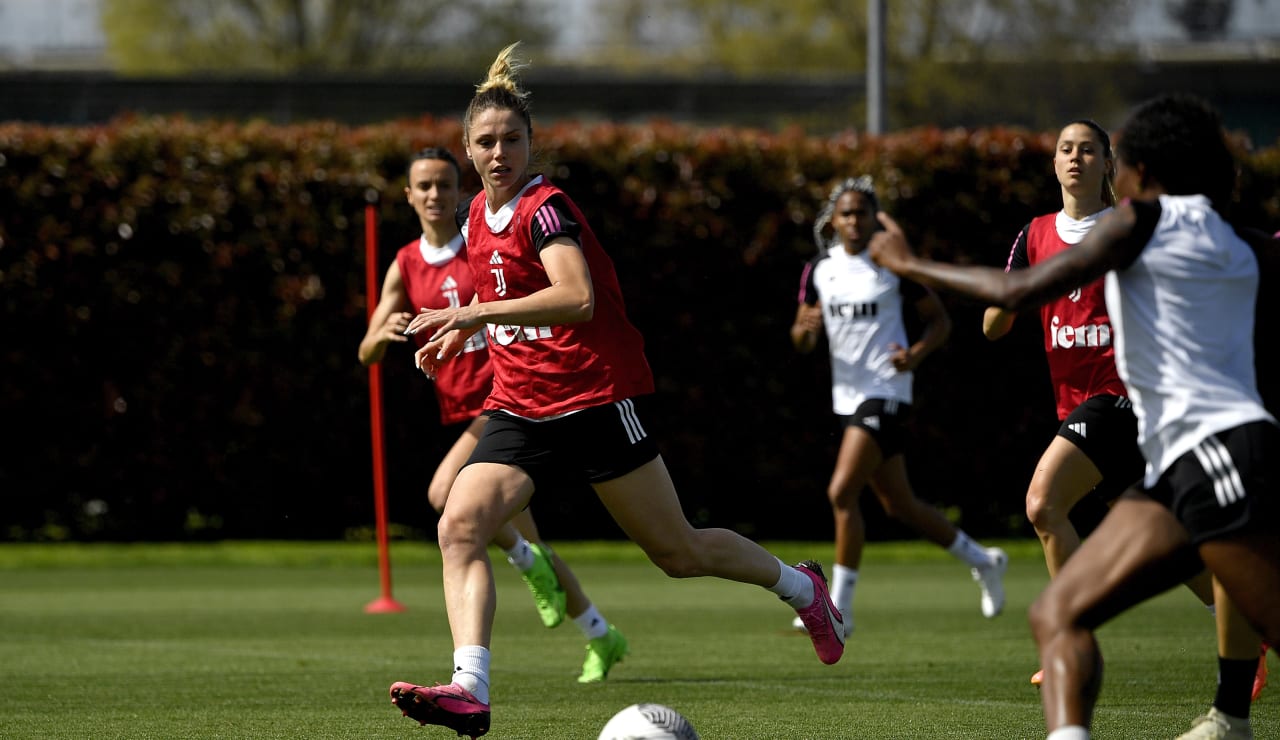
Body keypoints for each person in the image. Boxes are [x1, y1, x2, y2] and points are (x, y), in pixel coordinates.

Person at [387, 43, 846, 739]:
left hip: (595, 403)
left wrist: (472, 315)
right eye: (486, 142)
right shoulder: (477, 216)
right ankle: (470, 690)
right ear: (468, 151)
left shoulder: (547, 209)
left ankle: (803, 588)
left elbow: (574, 297)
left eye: (512, 139)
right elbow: (502, 296)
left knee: (679, 554)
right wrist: (468, 334)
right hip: (521, 409)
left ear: (532, 143)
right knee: (458, 523)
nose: (499, 151)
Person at [868, 93, 1280, 740]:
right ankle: (1225, 716)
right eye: (1068, 149)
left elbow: (1014, 291)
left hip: (1223, 448)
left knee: (1063, 548)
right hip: (1179, 458)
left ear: (1132, 168)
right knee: (1060, 612)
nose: (1083, 161)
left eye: (1103, 153)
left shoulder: (1134, 222)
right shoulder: (1240, 240)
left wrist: (904, 263)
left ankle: (1230, 715)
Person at [359, 146, 629, 685]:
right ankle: (601, 633)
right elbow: (367, 349)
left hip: (507, 399)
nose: (435, 195)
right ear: (409, 196)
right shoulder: (406, 263)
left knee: (444, 498)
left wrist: (472, 323)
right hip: (469, 412)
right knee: (528, 541)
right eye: (424, 186)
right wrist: (380, 335)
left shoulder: (481, 238)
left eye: (443, 184)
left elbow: (530, 296)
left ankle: (527, 571)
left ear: (459, 190)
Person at [789, 175, 1008, 637]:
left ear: (875, 219)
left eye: (862, 213)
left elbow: (940, 323)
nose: (853, 221)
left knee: (841, 491)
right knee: (900, 504)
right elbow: (801, 339)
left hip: (886, 391)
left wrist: (916, 355)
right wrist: (805, 328)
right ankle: (984, 560)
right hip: (847, 397)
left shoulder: (892, 266)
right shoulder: (820, 270)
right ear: (834, 220)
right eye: (846, 214)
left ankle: (836, 612)